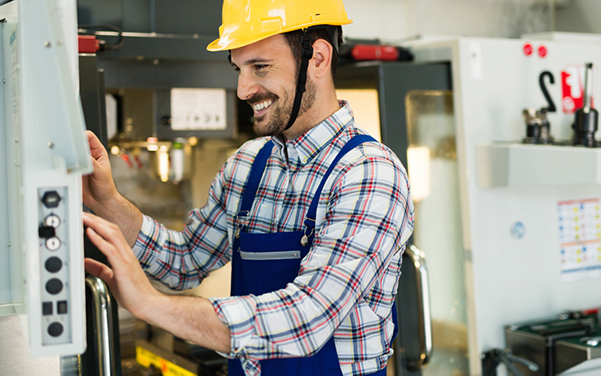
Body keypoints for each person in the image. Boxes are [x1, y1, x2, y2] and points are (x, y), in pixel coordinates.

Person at [82, 0, 414, 375]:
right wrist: (105, 200)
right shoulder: (248, 164)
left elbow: (308, 319)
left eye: (260, 67)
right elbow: (186, 261)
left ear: (318, 59)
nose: (242, 89)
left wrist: (151, 305)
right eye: (239, 68)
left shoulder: (369, 173)